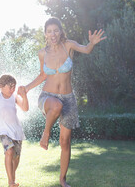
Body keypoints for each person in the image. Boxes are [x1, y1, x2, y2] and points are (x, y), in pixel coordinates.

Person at [24, 17, 106, 187]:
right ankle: (45, 134)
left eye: (55, 30)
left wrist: (91, 43)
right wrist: (26, 88)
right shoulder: (42, 53)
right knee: (56, 105)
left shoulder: (68, 45)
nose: (52, 34)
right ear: (45, 34)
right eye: (49, 31)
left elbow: (86, 49)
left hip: (68, 98)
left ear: (60, 31)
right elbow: (43, 75)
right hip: (48, 96)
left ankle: (62, 179)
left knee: (65, 141)